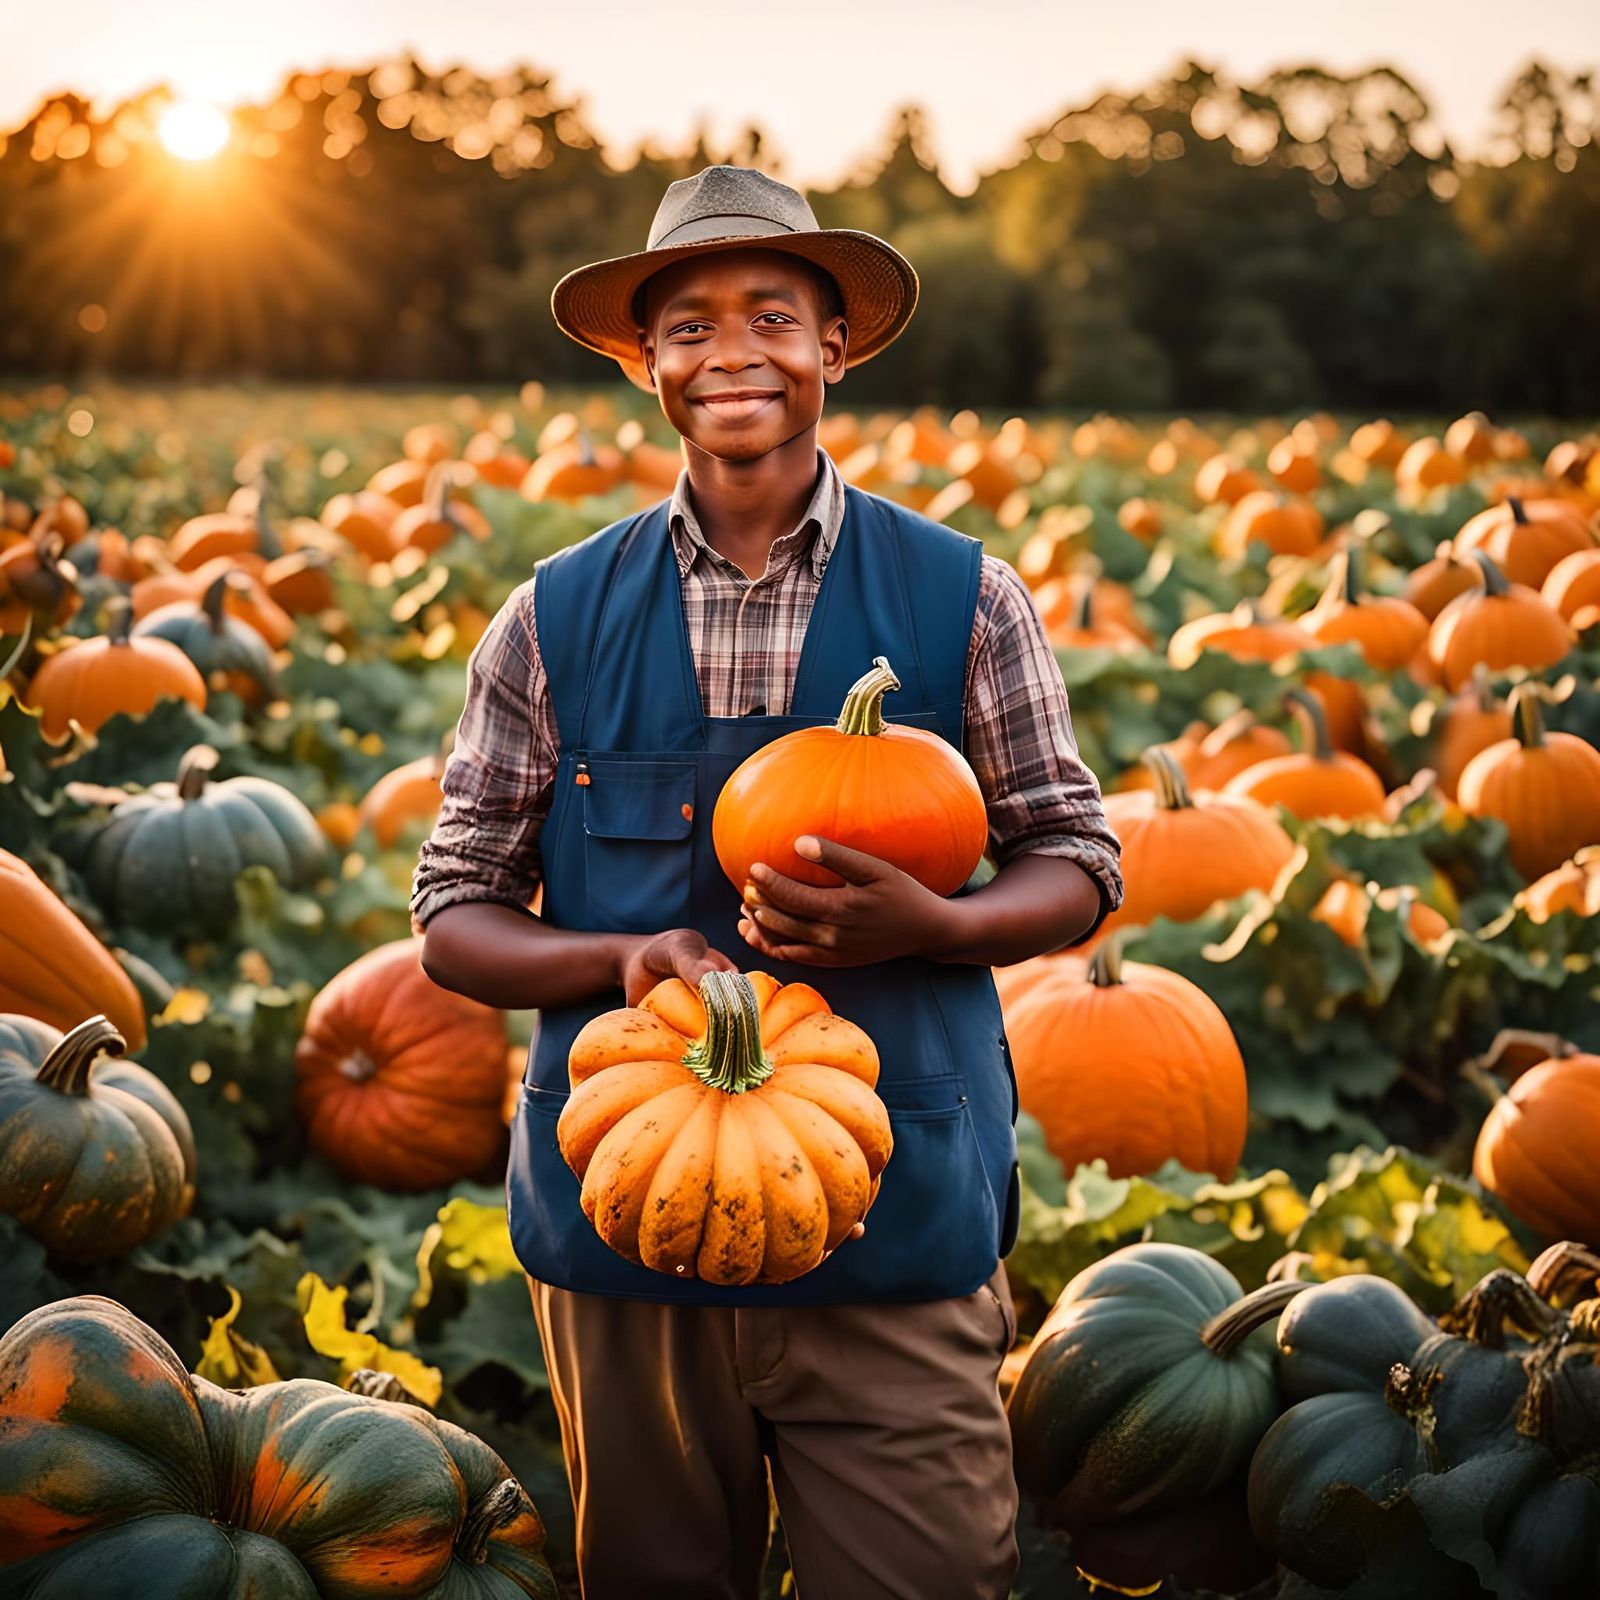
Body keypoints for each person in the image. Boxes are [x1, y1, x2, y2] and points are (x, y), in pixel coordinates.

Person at [411, 164, 1123, 1600]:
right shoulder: (548, 618)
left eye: (774, 316)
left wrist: (941, 923)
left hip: (900, 1206)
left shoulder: (964, 597)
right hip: (631, 1217)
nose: (732, 350)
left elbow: (1079, 861)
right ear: (648, 366)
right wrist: (617, 959)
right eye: (688, 325)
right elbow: (454, 917)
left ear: (832, 346)